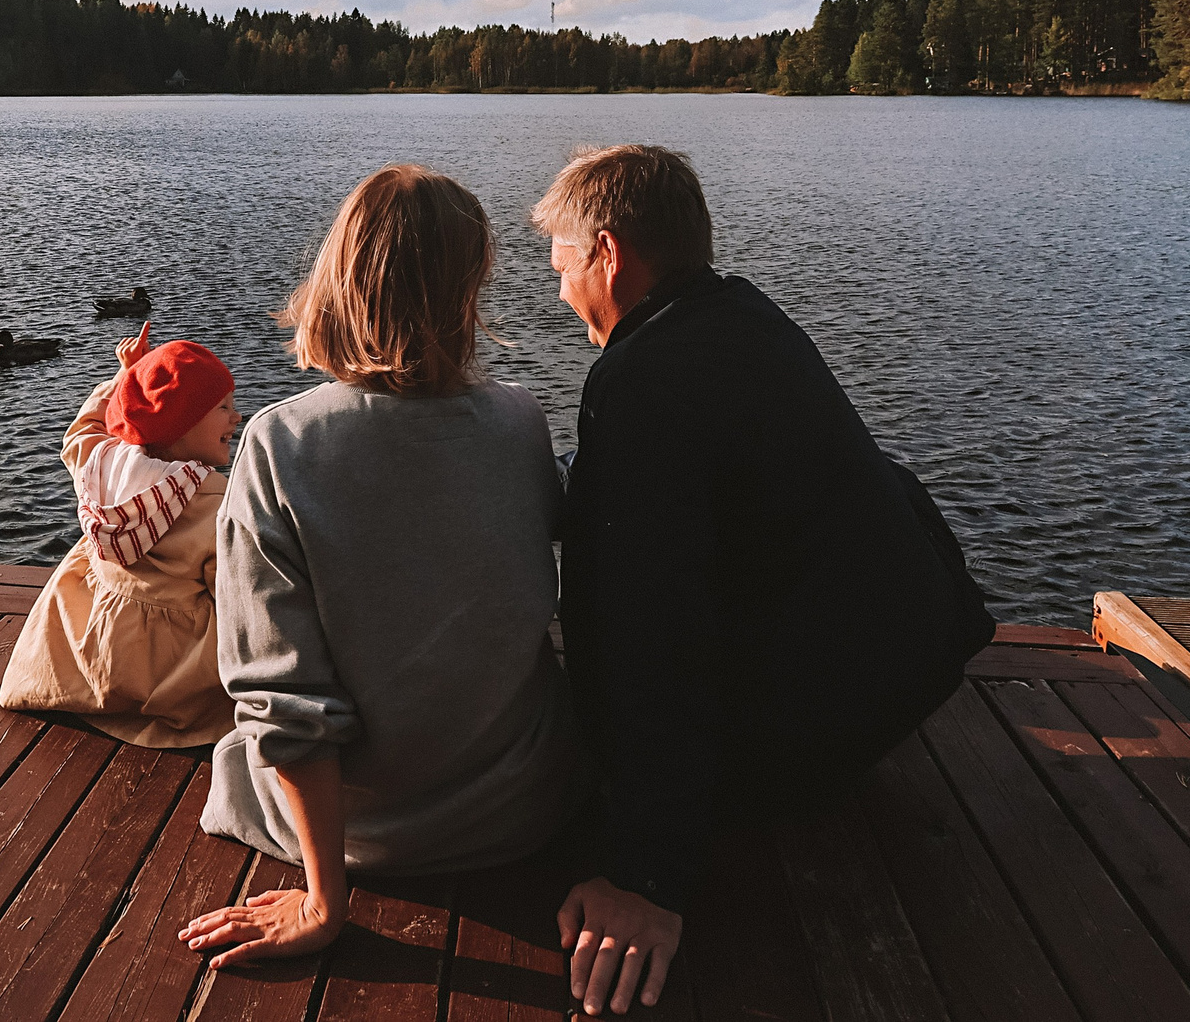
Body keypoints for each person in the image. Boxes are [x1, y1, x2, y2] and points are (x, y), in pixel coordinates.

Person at [535, 145, 994, 1018]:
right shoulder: (745, 318)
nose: (559, 292)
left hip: (807, 744)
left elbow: (645, 633)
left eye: (562, 266)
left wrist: (649, 872)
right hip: (912, 670)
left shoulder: (636, 380)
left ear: (608, 252)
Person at [180, 165, 582, 969]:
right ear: (465, 289)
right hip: (522, 809)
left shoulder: (280, 444)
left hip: (364, 840)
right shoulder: (519, 420)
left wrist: (324, 903)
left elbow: (285, 703)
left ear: (341, 277)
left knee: (231, 754)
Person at [0, 324, 243, 748]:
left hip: (94, 648)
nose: (237, 416)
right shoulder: (215, 502)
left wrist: (124, 376)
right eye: (223, 407)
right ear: (183, 424)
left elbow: (81, 431)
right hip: (166, 669)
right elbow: (237, 596)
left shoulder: (101, 466)